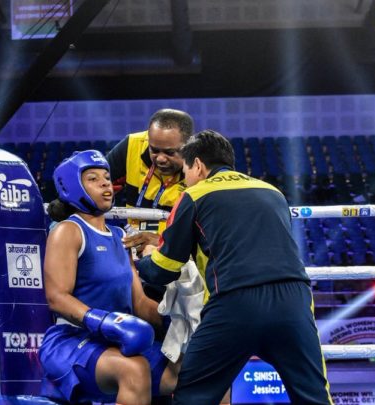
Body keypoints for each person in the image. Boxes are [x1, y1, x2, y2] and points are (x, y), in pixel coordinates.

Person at [136, 130, 333, 404]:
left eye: (186, 171)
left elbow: (165, 267)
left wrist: (140, 260)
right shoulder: (272, 192)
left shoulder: (194, 195)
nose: (185, 179)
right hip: (294, 302)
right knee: (314, 398)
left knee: (193, 396)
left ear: (198, 166)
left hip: (235, 304)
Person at [38, 150, 179, 405]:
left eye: (106, 176)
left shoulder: (118, 236)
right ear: (72, 187)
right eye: (93, 178)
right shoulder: (68, 231)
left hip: (120, 339)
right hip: (72, 340)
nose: (105, 182)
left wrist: (179, 318)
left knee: (200, 369)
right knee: (133, 369)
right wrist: (103, 321)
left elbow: (140, 305)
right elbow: (56, 298)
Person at [106, 108, 194, 253]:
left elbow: (205, 234)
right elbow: (93, 180)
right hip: (128, 244)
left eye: (169, 152)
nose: (160, 158)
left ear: (189, 146)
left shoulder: (201, 167)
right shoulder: (132, 145)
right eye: (154, 150)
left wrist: (160, 240)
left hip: (174, 255)